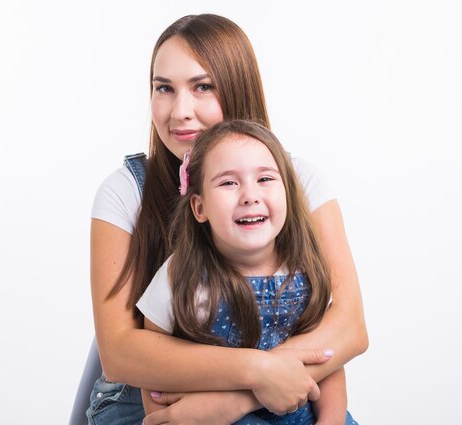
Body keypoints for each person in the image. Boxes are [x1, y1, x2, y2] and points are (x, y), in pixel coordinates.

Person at [84, 13, 367, 425]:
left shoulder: (296, 182)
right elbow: (120, 352)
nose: (180, 111)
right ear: (197, 206)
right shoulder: (125, 192)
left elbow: (348, 327)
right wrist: (258, 373)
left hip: (289, 388)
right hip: (160, 392)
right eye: (164, 88)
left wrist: (237, 400)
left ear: (238, 88)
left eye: (202, 87)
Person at [137, 119, 357, 424]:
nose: (249, 195)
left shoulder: (303, 268)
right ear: (199, 207)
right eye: (229, 182)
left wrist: (330, 421)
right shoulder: (181, 276)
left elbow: (327, 362)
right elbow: (153, 364)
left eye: (265, 179)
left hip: (300, 412)